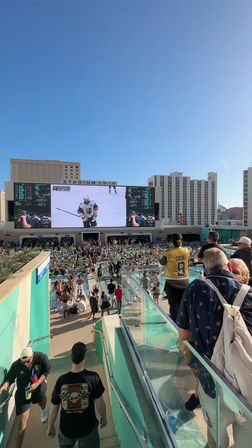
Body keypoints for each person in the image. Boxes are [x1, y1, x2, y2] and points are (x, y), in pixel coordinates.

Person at [177, 248, 252, 448]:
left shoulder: (194, 289)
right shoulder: (248, 293)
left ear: (205, 270)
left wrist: (194, 365)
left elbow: (183, 336)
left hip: (211, 379)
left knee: (215, 438)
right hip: (246, 382)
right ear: (228, 265)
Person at [47, 342, 107, 448]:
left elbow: (54, 408)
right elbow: (100, 403)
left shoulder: (61, 381)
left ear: (71, 357)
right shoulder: (93, 378)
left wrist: (50, 426)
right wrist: (104, 417)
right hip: (87, 430)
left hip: (66, 430)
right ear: (85, 357)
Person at [0, 346, 51, 448]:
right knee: (21, 425)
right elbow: (9, 377)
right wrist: (5, 386)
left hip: (38, 387)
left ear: (32, 356)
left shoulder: (41, 358)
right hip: (23, 393)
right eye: (23, 362)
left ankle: (44, 409)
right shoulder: (16, 365)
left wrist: (36, 384)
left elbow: (46, 371)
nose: (25, 364)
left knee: (42, 401)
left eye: (28, 361)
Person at [160, 233, 191, 321]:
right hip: (184, 281)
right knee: (183, 303)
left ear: (172, 242)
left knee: (173, 304)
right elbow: (189, 250)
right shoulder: (187, 250)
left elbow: (162, 262)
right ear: (182, 241)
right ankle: (184, 321)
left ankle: (175, 322)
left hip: (171, 281)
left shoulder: (168, 253)